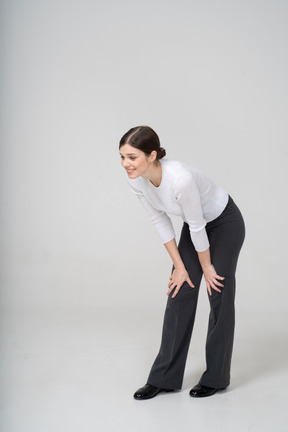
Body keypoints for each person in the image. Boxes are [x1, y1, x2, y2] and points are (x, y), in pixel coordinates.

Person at [119, 126, 245, 400]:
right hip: (196, 226)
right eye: (122, 157)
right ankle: (164, 378)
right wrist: (179, 266)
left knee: (218, 291)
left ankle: (216, 378)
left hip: (224, 223)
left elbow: (199, 227)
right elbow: (160, 221)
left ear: (152, 155)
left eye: (132, 157)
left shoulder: (180, 179)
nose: (126, 164)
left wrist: (208, 268)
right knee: (180, 290)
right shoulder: (136, 179)